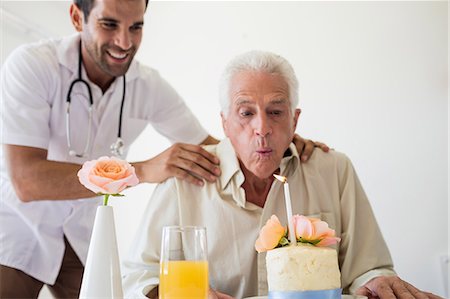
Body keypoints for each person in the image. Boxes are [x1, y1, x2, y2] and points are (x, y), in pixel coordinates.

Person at [0, 1, 325, 298]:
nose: (125, 42)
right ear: (76, 17)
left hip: (82, 235)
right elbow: (26, 181)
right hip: (17, 228)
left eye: (136, 27)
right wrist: (140, 171)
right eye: (109, 25)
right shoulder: (32, 66)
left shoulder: (147, 85)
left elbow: (218, 148)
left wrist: (272, 140)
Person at [122, 51, 443, 299]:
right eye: (246, 113)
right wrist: (182, 293)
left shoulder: (334, 169)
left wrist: (377, 280)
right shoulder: (184, 178)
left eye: (275, 112)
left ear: (294, 119)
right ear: (224, 123)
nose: (262, 128)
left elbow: (368, 267)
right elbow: (138, 278)